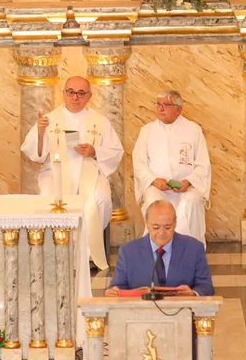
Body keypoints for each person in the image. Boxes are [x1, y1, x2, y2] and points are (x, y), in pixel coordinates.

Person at [21, 76, 124, 271]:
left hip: (90, 171)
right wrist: (41, 133)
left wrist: (94, 152)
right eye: (70, 92)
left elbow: (116, 152)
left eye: (80, 93)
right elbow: (36, 154)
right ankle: (56, 250)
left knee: (99, 198)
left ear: (89, 97)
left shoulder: (100, 122)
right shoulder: (49, 119)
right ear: (64, 94)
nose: (75, 97)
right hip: (55, 171)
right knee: (49, 197)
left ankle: (86, 251)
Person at [132, 89, 212, 245]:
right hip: (157, 187)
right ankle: (155, 251)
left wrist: (188, 181)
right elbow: (139, 162)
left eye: (166, 105)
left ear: (179, 109)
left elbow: (203, 164)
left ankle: (189, 251)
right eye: (158, 104)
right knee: (153, 200)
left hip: (187, 188)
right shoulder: (147, 131)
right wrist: (154, 180)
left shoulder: (193, 130)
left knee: (193, 200)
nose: (160, 108)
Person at [107, 200, 213, 296]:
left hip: (182, 313)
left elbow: (206, 287)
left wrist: (193, 294)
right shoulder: (128, 252)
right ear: (147, 223)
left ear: (175, 223)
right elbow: (118, 287)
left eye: (167, 227)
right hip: (140, 315)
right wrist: (113, 292)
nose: (162, 233)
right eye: (156, 227)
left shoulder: (194, 249)